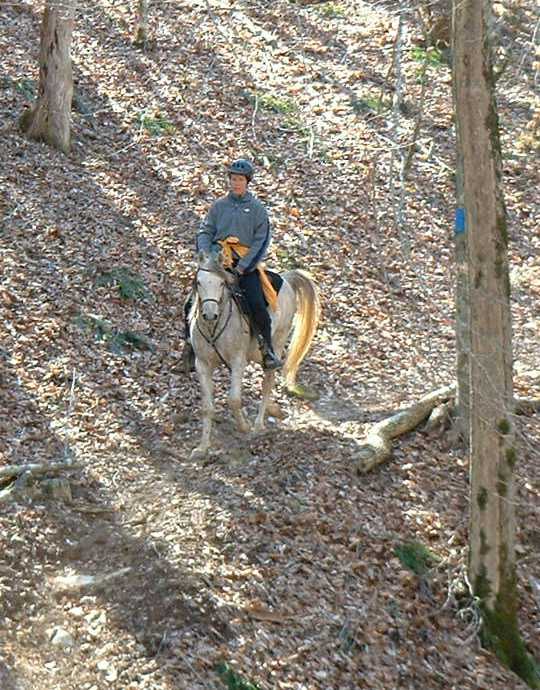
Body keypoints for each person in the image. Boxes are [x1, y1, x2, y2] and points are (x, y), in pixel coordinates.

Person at [182, 159, 283, 372]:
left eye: (239, 180)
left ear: (247, 182)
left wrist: (243, 266)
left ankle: (266, 349)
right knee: (190, 303)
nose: (235, 183)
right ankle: (190, 350)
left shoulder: (257, 209)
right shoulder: (219, 206)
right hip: (217, 263)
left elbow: (261, 240)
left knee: (256, 303)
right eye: (233, 179)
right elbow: (205, 231)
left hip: (244, 265)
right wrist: (205, 254)